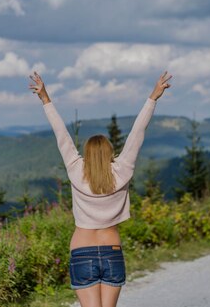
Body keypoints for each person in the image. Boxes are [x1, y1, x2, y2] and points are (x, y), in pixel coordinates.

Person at [28, 71, 172, 307]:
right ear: (109, 153)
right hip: (112, 251)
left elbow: (61, 135)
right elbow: (138, 133)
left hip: (81, 252)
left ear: (87, 154)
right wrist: (153, 97)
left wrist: (45, 98)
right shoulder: (122, 170)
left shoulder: (76, 170)